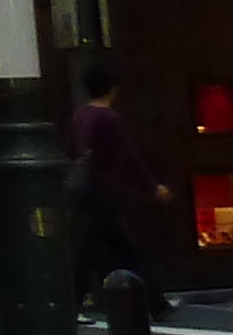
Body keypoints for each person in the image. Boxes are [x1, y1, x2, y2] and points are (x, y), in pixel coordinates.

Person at [67, 52, 173, 315]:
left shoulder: (80, 116)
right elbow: (128, 155)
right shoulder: (109, 119)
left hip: (87, 191)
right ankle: (154, 302)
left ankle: (78, 300)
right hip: (108, 192)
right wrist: (153, 185)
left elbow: (72, 150)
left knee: (93, 250)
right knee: (126, 250)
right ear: (113, 89)